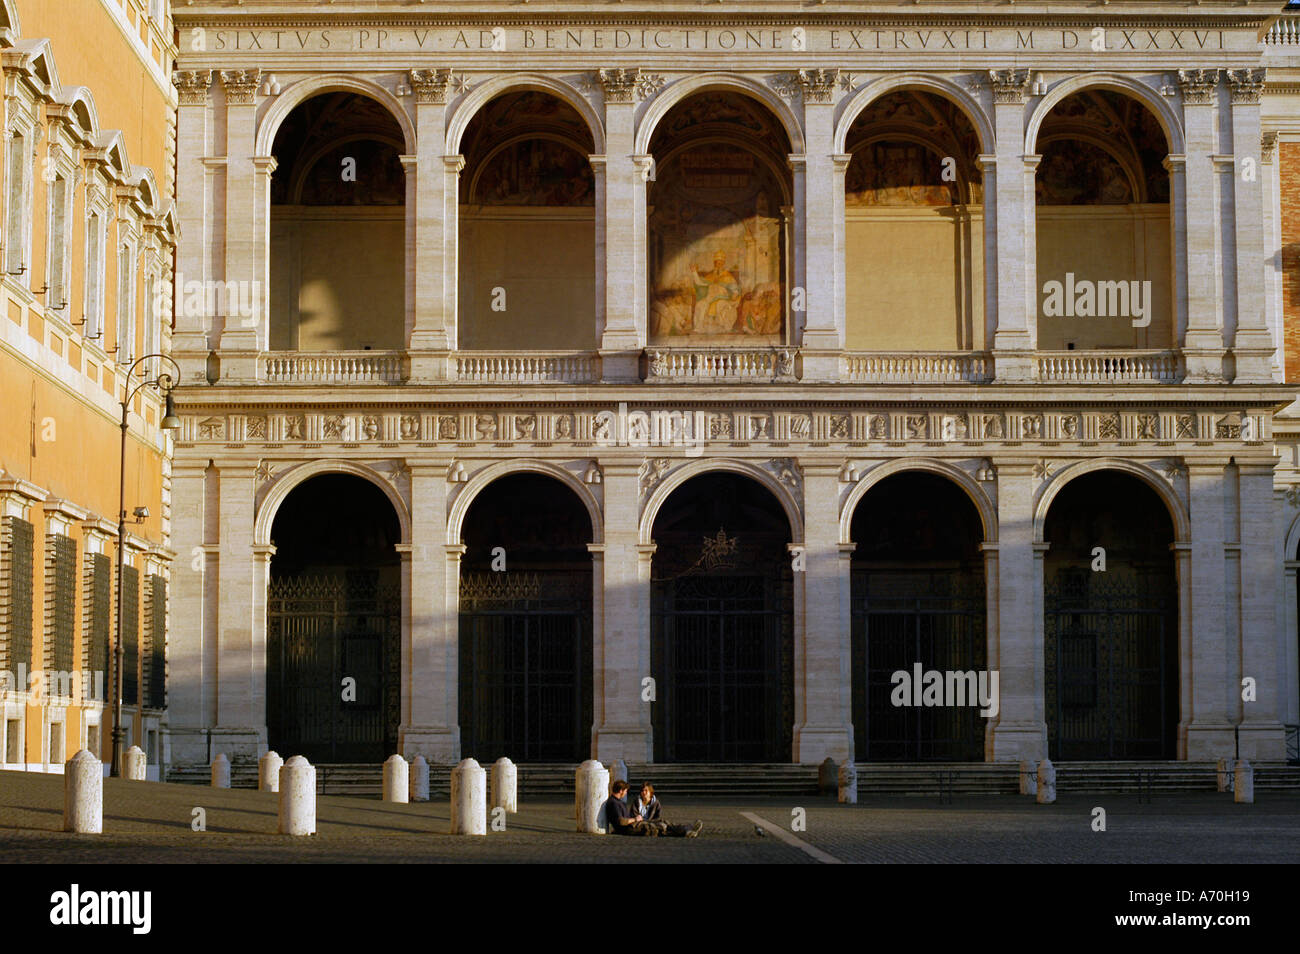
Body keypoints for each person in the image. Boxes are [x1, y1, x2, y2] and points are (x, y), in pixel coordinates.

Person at [634, 782, 703, 838]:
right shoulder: (637, 802)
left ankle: (688, 828)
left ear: (650, 792)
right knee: (665, 827)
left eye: (646, 791)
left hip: (653, 821)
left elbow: (657, 815)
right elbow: (634, 815)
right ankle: (687, 830)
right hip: (641, 823)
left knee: (668, 824)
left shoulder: (655, 802)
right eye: (642, 791)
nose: (644, 793)